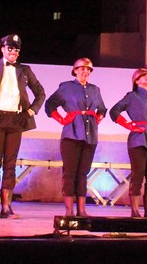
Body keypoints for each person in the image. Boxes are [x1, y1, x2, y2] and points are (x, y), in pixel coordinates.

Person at [0, 34, 46, 219]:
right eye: (10, 49)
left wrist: (30, 112)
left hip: (16, 120)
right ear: (2, 49)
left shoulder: (25, 70)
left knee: (11, 163)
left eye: (16, 50)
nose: (13, 52)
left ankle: (7, 208)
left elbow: (40, 93)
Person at [45, 58, 107, 217]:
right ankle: (69, 211)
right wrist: (62, 119)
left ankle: (82, 210)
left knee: (83, 173)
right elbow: (49, 105)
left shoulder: (95, 89)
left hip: (90, 136)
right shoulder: (66, 87)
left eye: (88, 69)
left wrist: (96, 120)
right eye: (82, 68)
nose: (85, 71)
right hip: (71, 135)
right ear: (75, 70)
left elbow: (102, 109)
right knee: (70, 173)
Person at [110, 68, 147, 218]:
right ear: (136, 81)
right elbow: (114, 111)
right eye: (143, 76)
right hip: (138, 139)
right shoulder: (131, 96)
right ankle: (135, 210)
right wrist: (129, 126)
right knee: (137, 176)